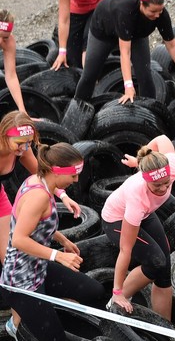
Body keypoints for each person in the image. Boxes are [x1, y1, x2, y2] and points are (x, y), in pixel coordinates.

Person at [0, 143, 105, 341]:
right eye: (73, 175)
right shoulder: (38, 196)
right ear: (56, 171)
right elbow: (18, 239)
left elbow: (35, 223)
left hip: (38, 267)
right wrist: (58, 255)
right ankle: (16, 328)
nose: (76, 180)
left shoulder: (39, 180)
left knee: (94, 291)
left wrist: (62, 238)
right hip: (21, 281)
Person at [0, 112, 81, 337]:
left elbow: (43, 173)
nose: (23, 148)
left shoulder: (22, 148)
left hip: (0, 199)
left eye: (28, 142)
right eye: (19, 143)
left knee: (9, 256)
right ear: (3, 136)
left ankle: (16, 324)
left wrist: (63, 196)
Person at [73, 0, 175, 104]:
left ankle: (149, 111)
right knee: (90, 74)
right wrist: (128, 86)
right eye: (153, 11)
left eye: (160, 10)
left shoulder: (161, 14)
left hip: (136, 34)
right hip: (103, 31)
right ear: (142, 4)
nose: (157, 15)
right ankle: (77, 106)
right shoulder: (125, 11)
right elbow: (125, 52)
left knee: (145, 75)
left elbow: (172, 45)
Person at [101, 135, 175, 321]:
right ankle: (114, 301)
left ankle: (165, 328)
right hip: (117, 219)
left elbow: (162, 138)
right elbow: (125, 250)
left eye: (166, 183)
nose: (162, 189)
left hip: (146, 214)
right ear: (145, 180)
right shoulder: (136, 196)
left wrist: (139, 160)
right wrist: (118, 291)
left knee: (164, 268)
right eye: (156, 185)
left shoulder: (173, 166)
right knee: (156, 262)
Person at [52, 0, 114, 70]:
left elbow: (114, 8)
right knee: (72, 57)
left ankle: (91, 76)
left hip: (96, 12)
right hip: (75, 14)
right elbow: (64, 20)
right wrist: (62, 51)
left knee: (88, 43)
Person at [0, 10, 29, 114]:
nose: (0, 41)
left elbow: (11, 76)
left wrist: (22, 110)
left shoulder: (9, 42)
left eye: (5, 37)